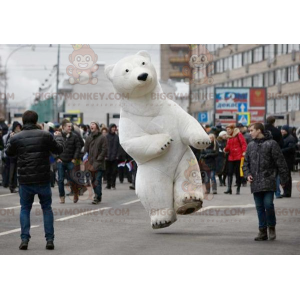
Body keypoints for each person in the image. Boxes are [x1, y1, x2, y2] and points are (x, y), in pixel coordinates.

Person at [5, 110, 64, 250]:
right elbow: (58, 149)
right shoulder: (45, 135)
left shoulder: (16, 137)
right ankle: (49, 240)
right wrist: (59, 137)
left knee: (25, 209)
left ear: (23, 122)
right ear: (36, 121)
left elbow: (8, 153)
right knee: (46, 208)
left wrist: (10, 138)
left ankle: (24, 239)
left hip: (25, 180)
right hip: (43, 178)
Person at [243, 123, 289, 241]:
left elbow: (281, 162)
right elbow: (245, 163)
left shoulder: (272, 144)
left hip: (269, 180)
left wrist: (284, 180)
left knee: (268, 205)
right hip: (255, 182)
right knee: (259, 207)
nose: (250, 132)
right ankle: (262, 231)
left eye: (252, 130)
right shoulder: (251, 145)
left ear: (259, 130)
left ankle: (271, 227)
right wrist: (247, 175)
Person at [56, 119, 82, 204]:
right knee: (60, 180)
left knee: (72, 179)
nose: (70, 128)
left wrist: (75, 158)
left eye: (71, 126)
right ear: (63, 127)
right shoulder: (58, 136)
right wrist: (57, 158)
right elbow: (53, 148)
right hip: (61, 161)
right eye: (69, 126)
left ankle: (75, 193)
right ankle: (62, 196)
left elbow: (78, 147)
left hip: (71, 161)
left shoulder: (74, 136)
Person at [84, 121, 107, 204]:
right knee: (93, 181)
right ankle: (98, 195)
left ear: (96, 126)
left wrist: (99, 158)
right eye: (91, 124)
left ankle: (97, 196)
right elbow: (85, 150)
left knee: (97, 180)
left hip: (99, 162)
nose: (91, 125)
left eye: (93, 124)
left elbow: (104, 149)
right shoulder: (88, 137)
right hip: (90, 163)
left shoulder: (102, 137)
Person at [224, 124, 247, 195]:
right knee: (229, 172)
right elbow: (228, 146)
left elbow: (243, 143)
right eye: (227, 130)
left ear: (233, 129)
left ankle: (238, 188)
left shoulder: (238, 134)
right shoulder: (229, 137)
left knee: (237, 173)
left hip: (238, 156)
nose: (228, 131)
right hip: (231, 156)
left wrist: (244, 151)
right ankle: (229, 188)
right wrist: (225, 149)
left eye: (229, 129)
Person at [281, 125, 296, 198]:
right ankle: (285, 191)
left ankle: (287, 192)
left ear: (286, 130)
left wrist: (281, 151)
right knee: (285, 175)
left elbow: (291, 148)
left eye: (283, 130)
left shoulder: (290, 138)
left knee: (287, 176)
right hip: (285, 159)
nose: (282, 131)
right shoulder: (284, 137)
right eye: (281, 129)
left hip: (288, 159)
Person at [105, 124, 120, 190]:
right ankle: (108, 184)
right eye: (112, 127)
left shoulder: (117, 137)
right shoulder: (106, 137)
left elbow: (119, 147)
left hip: (115, 157)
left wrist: (117, 155)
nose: (114, 128)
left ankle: (113, 184)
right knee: (108, 172)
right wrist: (105, 155)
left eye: (114, 127)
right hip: (107, 157)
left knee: (114, 172)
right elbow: (104, 146)